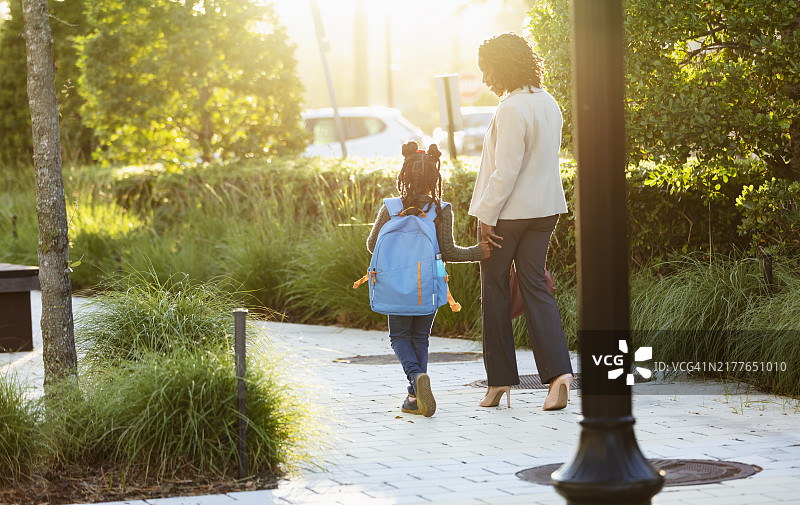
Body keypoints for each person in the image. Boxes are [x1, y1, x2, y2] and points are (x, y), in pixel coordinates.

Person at [468, 32, 573, 411]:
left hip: (509, 215)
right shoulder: (549, 103)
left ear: (504, 64)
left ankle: (498, 383)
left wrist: (486, 217)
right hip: (545, 212)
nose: (485, 80)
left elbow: (505, 172)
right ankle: (559, 375)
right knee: (535, 287)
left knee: (494, 291)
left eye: (487, 70)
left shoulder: (511, 109)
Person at [366, 142, 491, 417]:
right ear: (435, 177)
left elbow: (372, 245)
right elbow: (449, 252)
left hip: (394, 286)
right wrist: (479, 252)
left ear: (404, 175)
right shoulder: (441, 209)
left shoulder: (390, 207)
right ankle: (414, 395)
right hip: (428, 286)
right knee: (420, 338)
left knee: (399, 336)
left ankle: (414, 380)